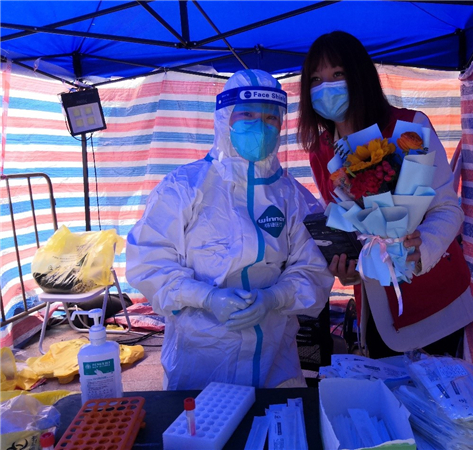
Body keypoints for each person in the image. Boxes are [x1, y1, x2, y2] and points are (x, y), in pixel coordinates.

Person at [126, 69, 334, 390]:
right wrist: (207, 298)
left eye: (270, 117)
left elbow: (313, 269)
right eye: (247, 114)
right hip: (200, 363)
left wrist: (274, 298)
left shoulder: (292, 197)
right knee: (205, 422)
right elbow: (149, 263)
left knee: (278, 421)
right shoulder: (184, 187)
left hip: (275, 365)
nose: (260, 126)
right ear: (225, 118)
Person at [298, 31, 473, 359]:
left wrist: (422, 248)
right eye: (316, 80)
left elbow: (447, 209)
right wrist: (347, 267)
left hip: (436, 304)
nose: (326, 88)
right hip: (376, 310)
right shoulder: (321, 152)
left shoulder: (408, 129)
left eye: (337, 74)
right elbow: (345, 225)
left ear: (360, 75)